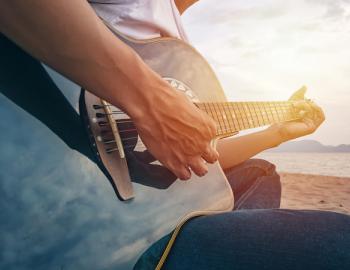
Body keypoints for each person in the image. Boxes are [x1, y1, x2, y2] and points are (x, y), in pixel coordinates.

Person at [0, 1, 349, 269]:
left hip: (137, 216)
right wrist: (148, 99)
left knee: (260, 175)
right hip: (63, 217)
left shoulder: (174, 34)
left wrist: (275, 132)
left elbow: (196, 163)